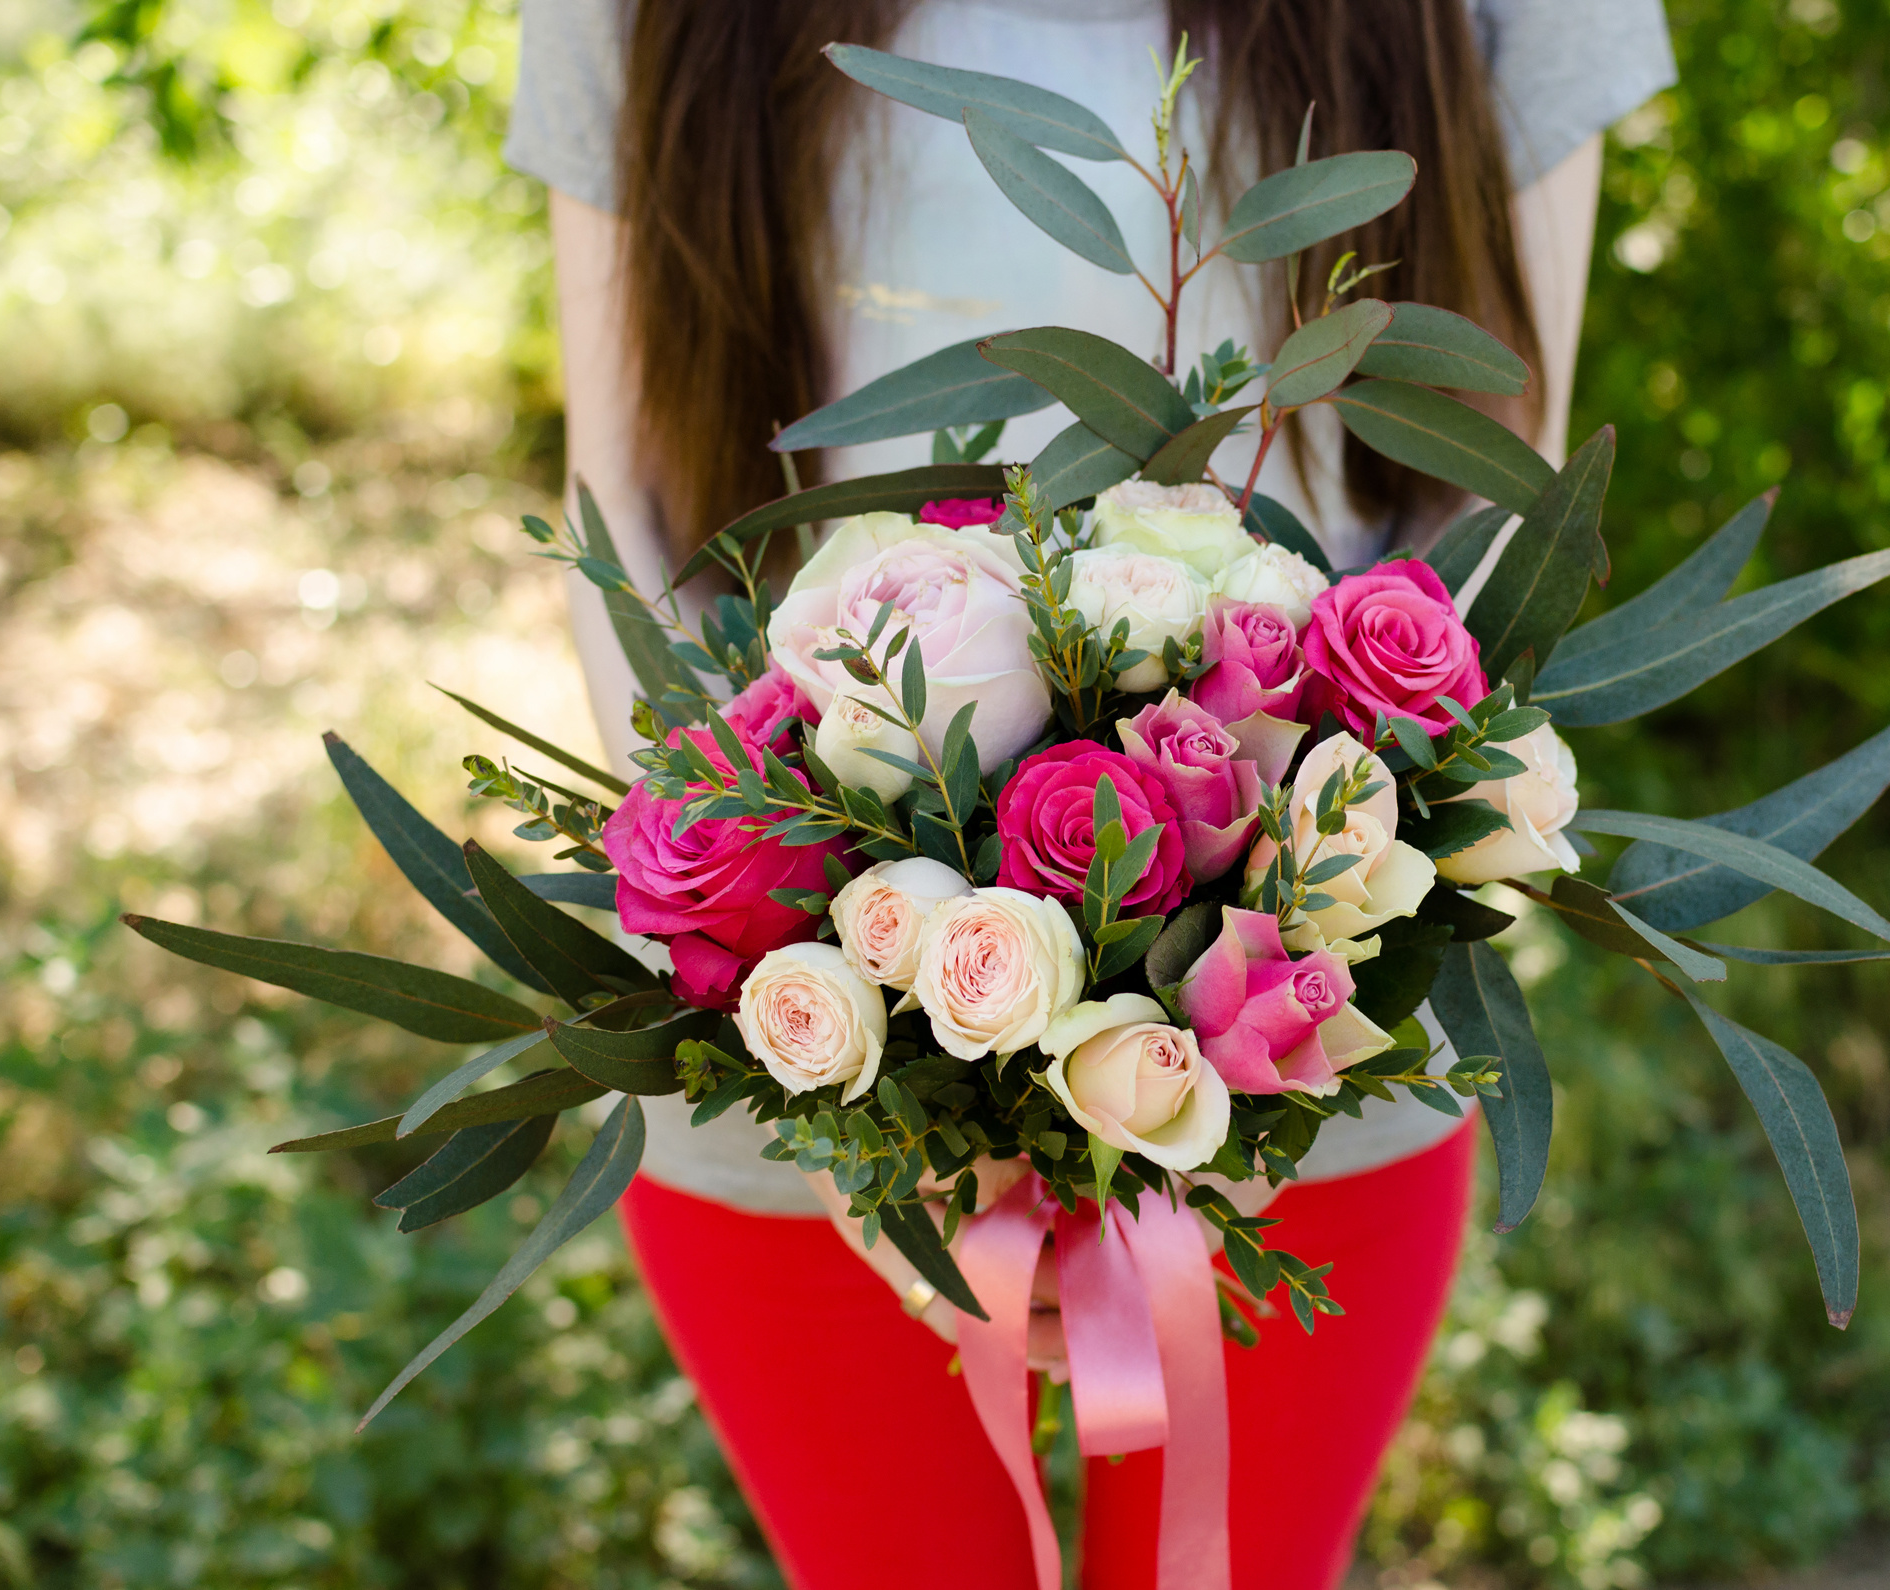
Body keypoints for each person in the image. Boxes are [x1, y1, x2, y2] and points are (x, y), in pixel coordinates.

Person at [504, 4, 1673, 1586]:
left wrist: (1227, 1064)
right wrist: (876, 1094)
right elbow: (626, 502)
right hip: (799, 1031)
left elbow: (1491, 490)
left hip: (1293, 1044)